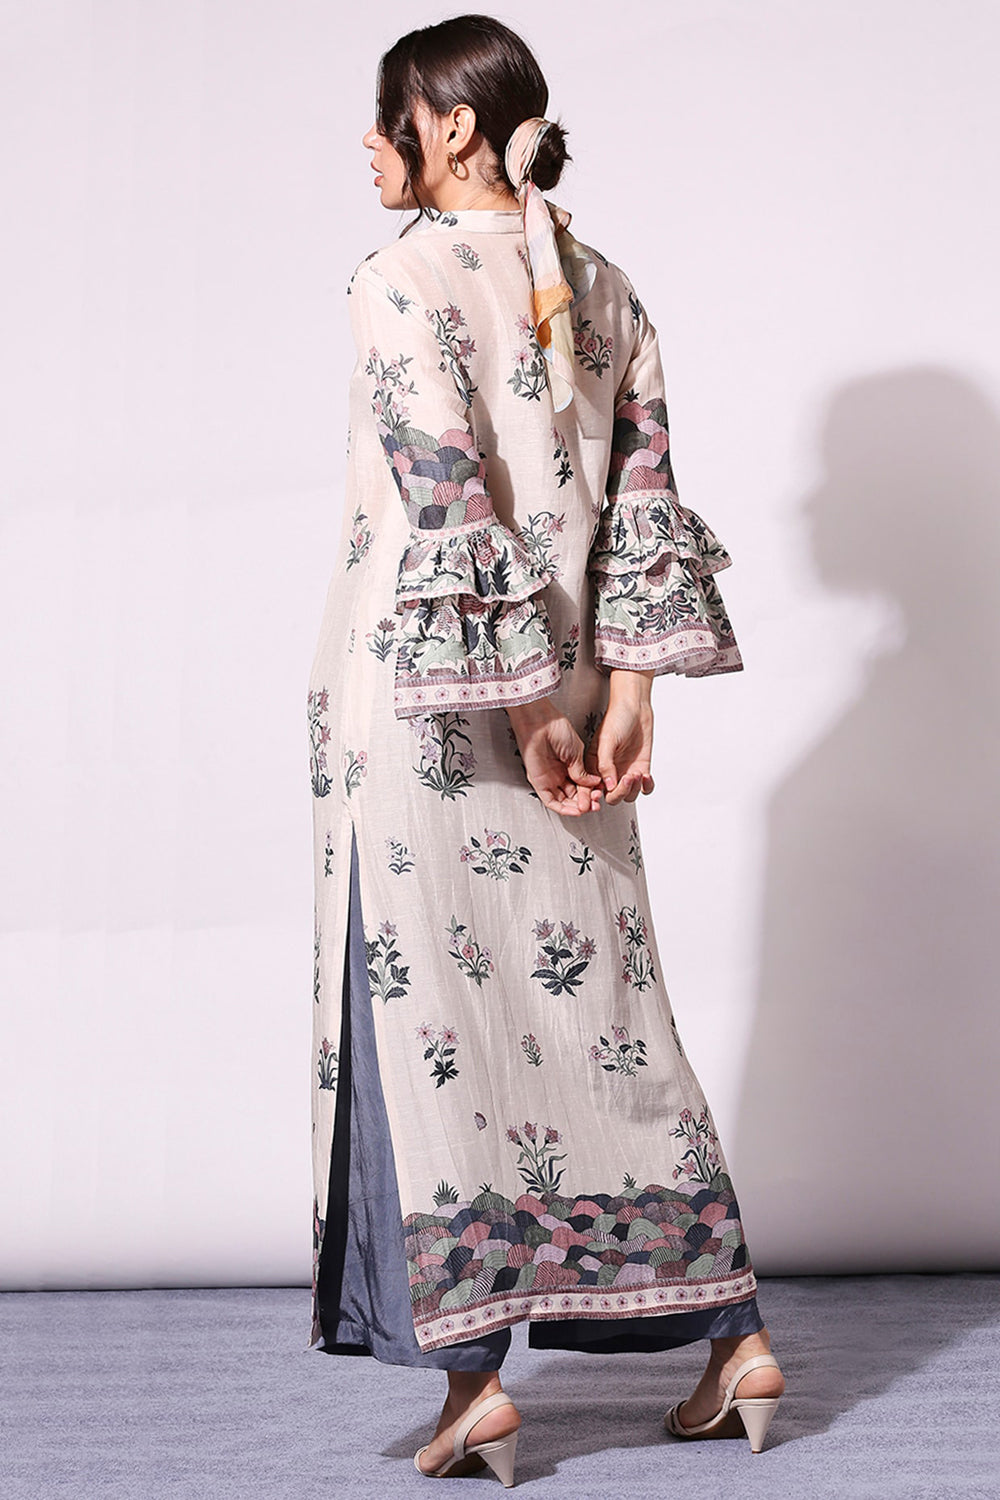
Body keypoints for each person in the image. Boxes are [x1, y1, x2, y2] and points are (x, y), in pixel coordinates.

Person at [304, 13, 786, 1485]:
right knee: (609, 1017)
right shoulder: (606, 283)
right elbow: (646, 500)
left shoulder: (398, 280)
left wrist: (523, 711)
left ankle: (474, 1389)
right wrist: (622, 699)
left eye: (388, 114)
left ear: (452, 126)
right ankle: (735, 1348)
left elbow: (444, 494)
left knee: (427, 1024)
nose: (370, 142)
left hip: (439, 719)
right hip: (580, 704)